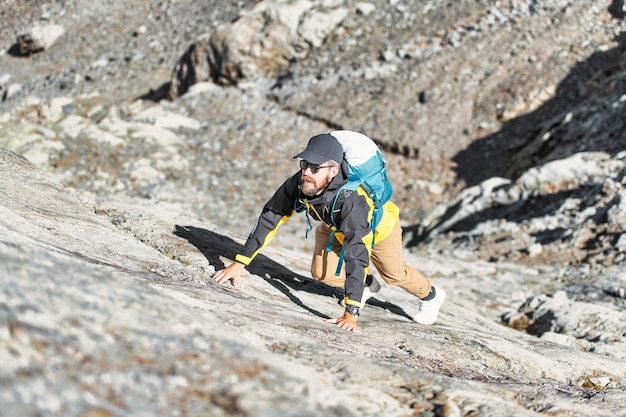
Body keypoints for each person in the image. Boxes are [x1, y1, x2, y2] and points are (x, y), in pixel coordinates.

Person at [213, 132, 445, 332]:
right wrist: (240, 262)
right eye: (305, 164)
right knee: (322, 274)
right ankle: (366, 285)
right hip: (334, 227)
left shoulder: (353, 199)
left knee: (394, 275)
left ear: (333, 171)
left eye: (316, 167)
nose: (307, 172)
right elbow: (271, 217)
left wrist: (351, 312)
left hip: (378, 232)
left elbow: (357, 252)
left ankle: (431, 295)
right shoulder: (299, 183)